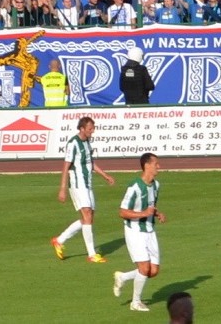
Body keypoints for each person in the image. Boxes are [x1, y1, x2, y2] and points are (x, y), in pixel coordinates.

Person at [52, 116, 115, 263]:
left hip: (87, 184)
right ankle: (92, 254)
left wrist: (105, 175)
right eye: (90, 129)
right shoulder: (73, 143)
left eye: (93, 129)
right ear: (82, 128)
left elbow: (90, 162)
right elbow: (66, 166)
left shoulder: (87, 142)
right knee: (87, 214)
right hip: (77, 183)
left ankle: (59, 240)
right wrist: (62, 189)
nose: (92, 132)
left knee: (89, 218)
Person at [113, 152, 166, 312]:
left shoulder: (156, 185)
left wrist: (157, 213)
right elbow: (122, 212)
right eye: (156, 163)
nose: (159, 166)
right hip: (134, 231)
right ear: (147, 165)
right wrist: (143, 214)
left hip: (150, 230)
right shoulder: (134, 187)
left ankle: (122, 277)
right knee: (144, 268)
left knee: (153, 271)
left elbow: (150, 206)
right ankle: (135, 302)